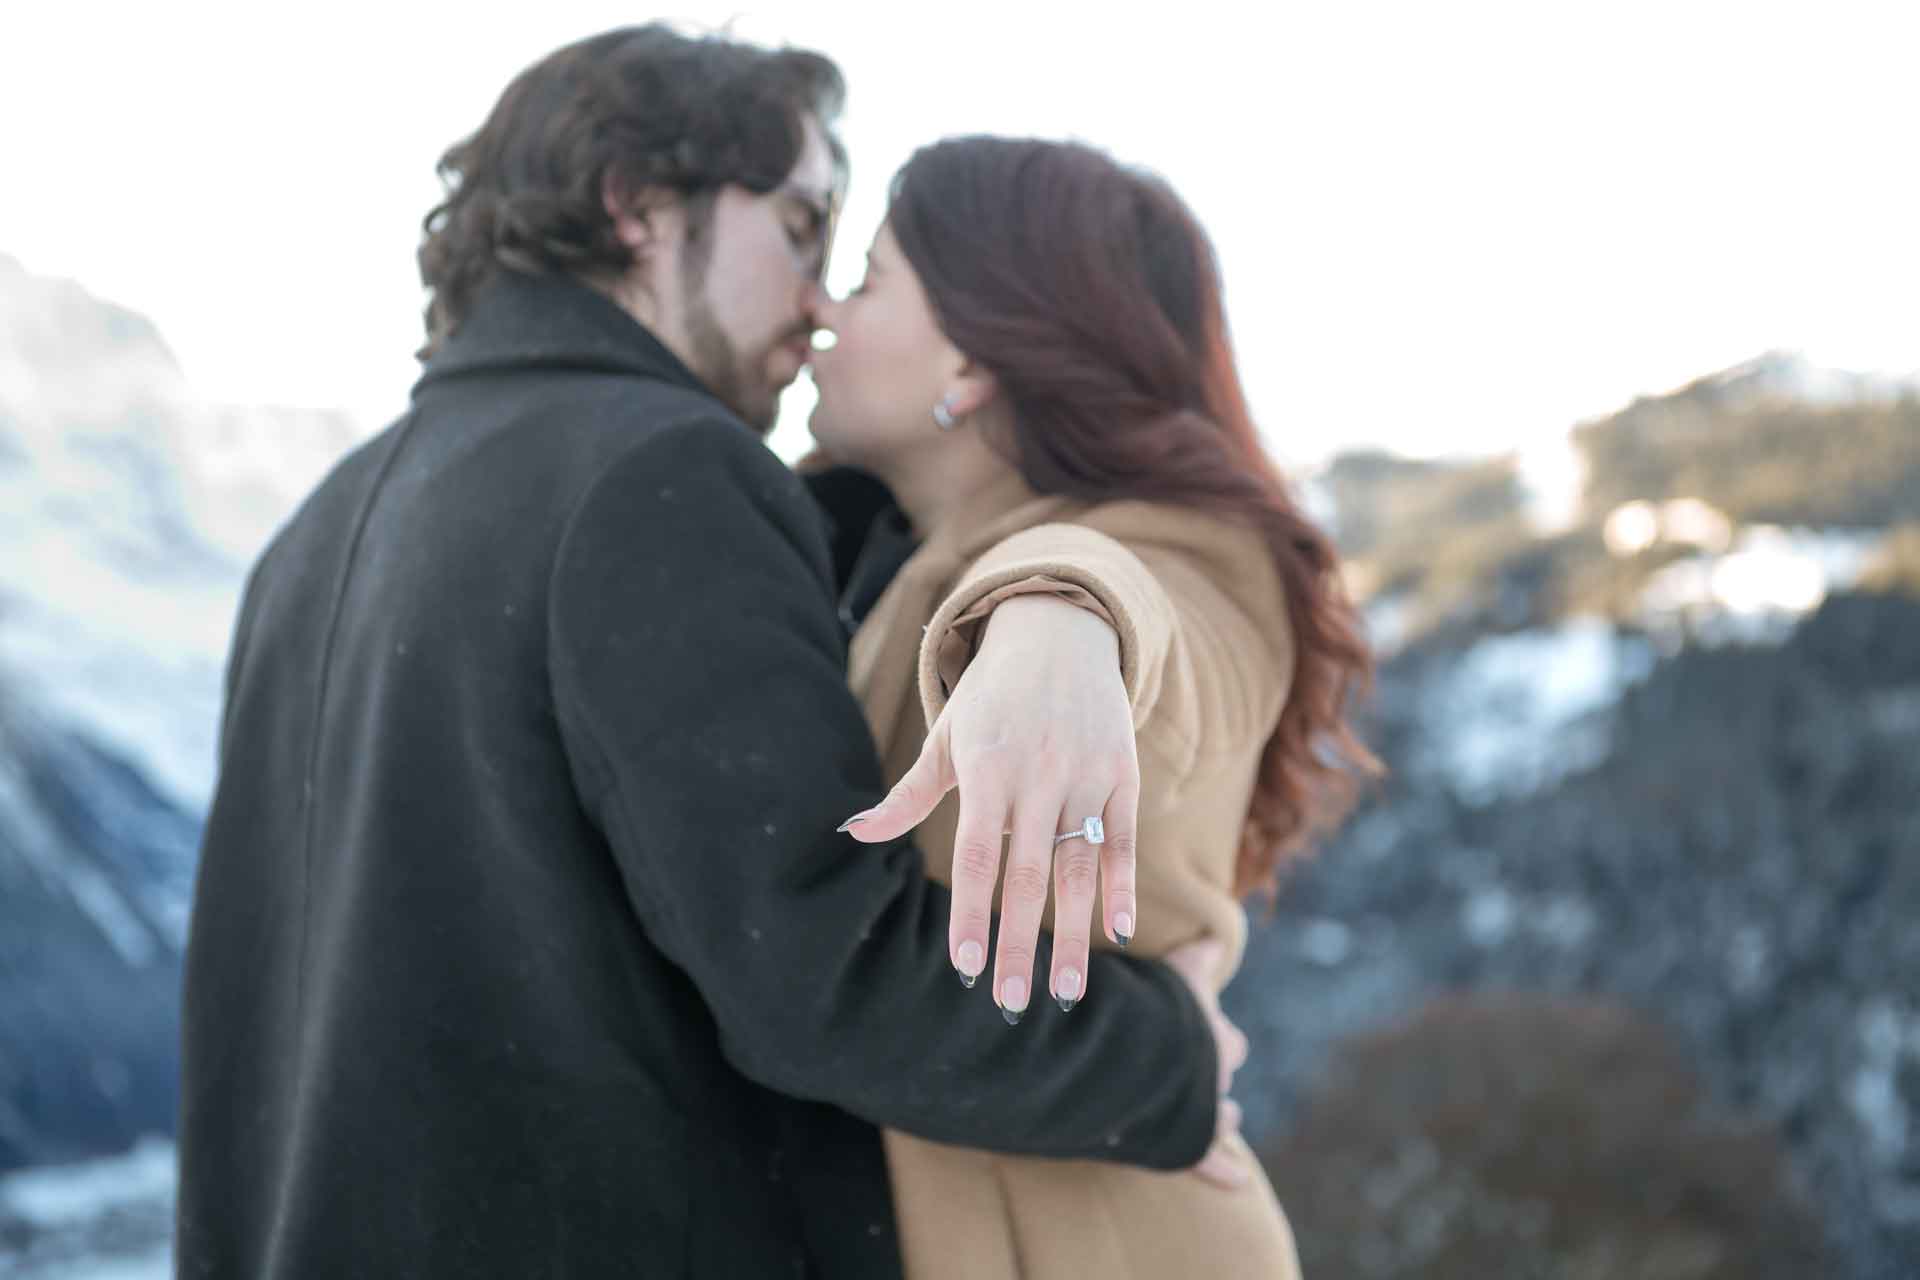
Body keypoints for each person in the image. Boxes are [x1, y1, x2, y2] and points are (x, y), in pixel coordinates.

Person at [176, 27, 1247, 1280]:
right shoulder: (658, 473)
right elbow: (824, 969)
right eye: (799, 229)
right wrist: (1170, 1054)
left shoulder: (313, 531)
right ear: (638, 207)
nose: (816, 299)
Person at [808, 135, 1379, 1277]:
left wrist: (1064, 616)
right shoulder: (894, 561)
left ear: (971, 356)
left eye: (868, 278)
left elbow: (1157, 620)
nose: (825, 309)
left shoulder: (1201, 554)